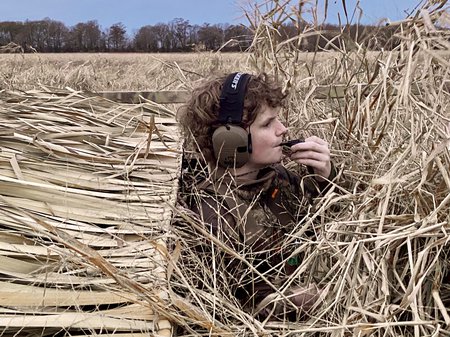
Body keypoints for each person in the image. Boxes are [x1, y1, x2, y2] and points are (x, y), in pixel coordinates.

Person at [177, 72, 337, 320]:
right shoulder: (214, 213)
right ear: (230, 139)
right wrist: (317, 297)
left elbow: (327, 227)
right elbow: (234, 307)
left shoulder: (278, 178)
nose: (282, 130)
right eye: (267, 124)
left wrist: (326, 178)